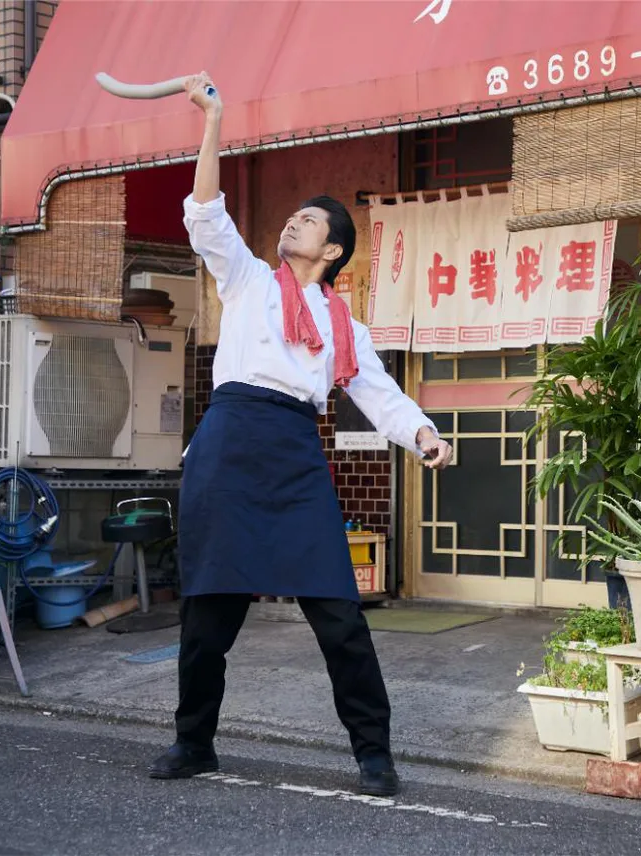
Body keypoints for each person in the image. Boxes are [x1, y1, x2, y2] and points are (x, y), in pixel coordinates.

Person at [148, 72, 454, 797]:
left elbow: (376, 393)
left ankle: (373, 755)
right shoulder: (248, 280)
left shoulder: (344, 326)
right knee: (207, 618)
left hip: (292, 455)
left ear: (335, 251)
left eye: (310, 222)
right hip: (228, 444)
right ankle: (195, 744)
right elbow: (205, 212)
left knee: (340, 618)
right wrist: (214, 122)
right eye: (292, 216)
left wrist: (425, 436)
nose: (293, 223)